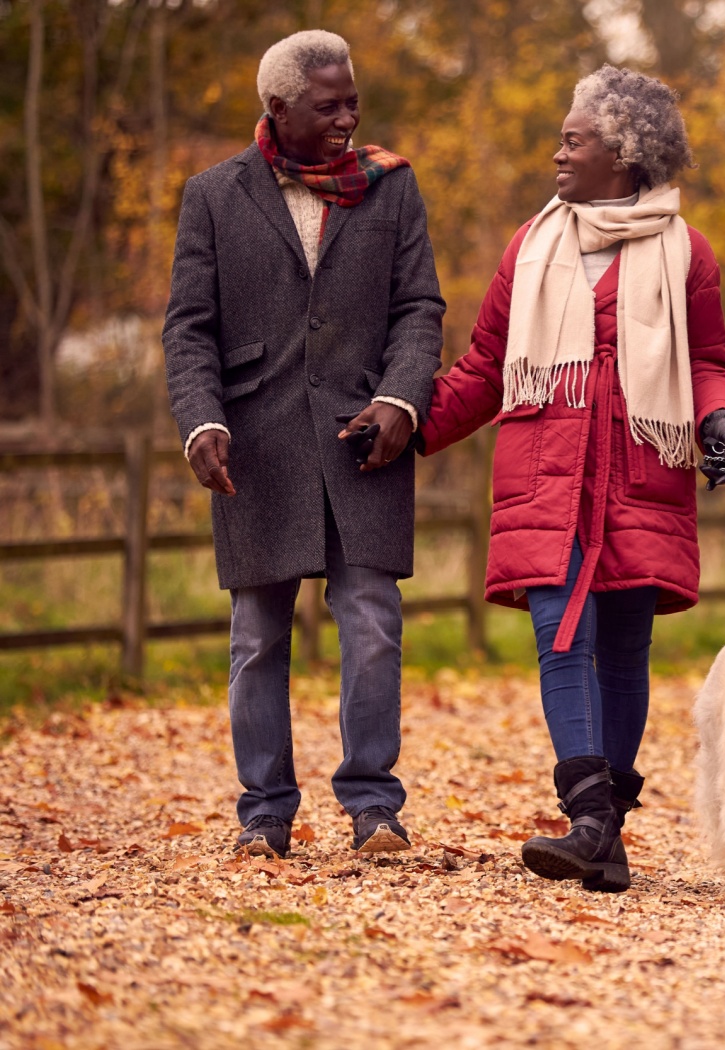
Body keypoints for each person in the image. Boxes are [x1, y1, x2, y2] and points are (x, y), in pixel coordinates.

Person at [418, 66, 725, 893]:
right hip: (549, 473)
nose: (557, 153)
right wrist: (413, 427)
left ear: (626, 154)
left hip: (642, 469)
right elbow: (489, 365)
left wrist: (719, 419)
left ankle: (601, 835)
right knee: (562, 636)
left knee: (626, 649)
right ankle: (591, 816)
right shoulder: (532, 245)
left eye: (575, 140)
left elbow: (707, 360)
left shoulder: (685, 252)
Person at [162, 30, 444, 858]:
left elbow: (420, 308)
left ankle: (373, 807)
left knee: (372, 622)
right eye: (330, 105)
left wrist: (402, 397)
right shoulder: (213, 196)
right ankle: (265, 814)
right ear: (278, 108)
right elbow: (188, 329)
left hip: (366, 436)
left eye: (352, 98)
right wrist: (200, 421)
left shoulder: (391, 187)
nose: (349, 116)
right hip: (256, 445)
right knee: (256, 637)